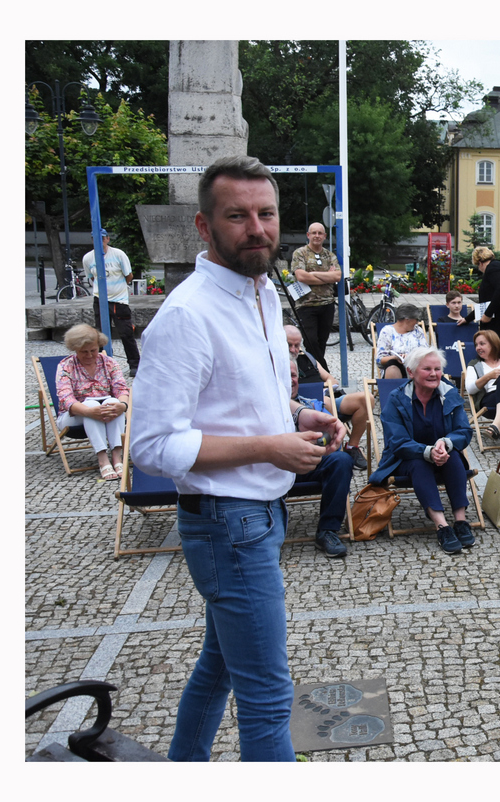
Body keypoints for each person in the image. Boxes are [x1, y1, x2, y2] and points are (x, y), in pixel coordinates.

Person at [130, 155, 346, 762]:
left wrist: (296, 418)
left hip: (257, 513)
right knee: (268, 699)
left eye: (267, 213)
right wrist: (268, 446)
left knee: (217, 669)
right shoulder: (186, 314)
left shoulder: (261, 292)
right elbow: (150, 446)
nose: (257, 228)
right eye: (238, 216)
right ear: (204, 226)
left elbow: (246, 399)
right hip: (228, 522)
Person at [369, 347, 477, 556]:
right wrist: (427, 451)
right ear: (411, 372)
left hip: (442, 455)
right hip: (404, 459)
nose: (434, 374)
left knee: (453, 456)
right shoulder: (396, 399)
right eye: (427, 369)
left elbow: (463, 431)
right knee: (419, 463)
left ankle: (461, 521)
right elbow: (397, 442)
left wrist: (445, 443)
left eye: (437, 369)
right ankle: (442, 526)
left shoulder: (449, 393)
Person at [284, 324, 370, 470]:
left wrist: (321, 390)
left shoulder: (308, 358)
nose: (294, 350)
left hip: (323, 399)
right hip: (301, 406)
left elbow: (332, 380)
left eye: (297, 345)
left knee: (366, 399)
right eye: (289, 345)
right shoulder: (275, 364)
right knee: (326, 402)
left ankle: (352, 446)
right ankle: (334, 448)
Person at [289, 358, 351, 558]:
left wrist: (321, 440)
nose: (291, 381)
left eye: (293, 375)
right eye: (284, 375)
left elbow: (330, 438)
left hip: (308, 463)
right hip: (273, 468)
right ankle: (265, 536)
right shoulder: (260, 409)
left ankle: (328, 531)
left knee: (341, 460)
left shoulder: (311, 405)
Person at [55, 323, 130, 480]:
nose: (89, 355)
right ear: (75, 349)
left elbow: (122, 390)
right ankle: (102, 458)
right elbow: (66, 398)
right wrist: (89, 411)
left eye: (93, 350)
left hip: (106, 410)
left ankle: (117, 456)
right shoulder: (65, 366)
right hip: (73, 415)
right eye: (84, 352)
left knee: (112, 402)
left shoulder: (109, 362)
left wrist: (122, 406)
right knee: (91, 405)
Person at [83, 228, 140, 376]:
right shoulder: (88, 258)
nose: (99, 242)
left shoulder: (118, 254)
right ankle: (102, 364)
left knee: (126, 333)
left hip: (119, 300)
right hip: (100, 299)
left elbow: (129, 275)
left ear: (107, 239)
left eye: (102, 239)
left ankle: (135, 364)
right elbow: (91, 277)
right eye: (95, 239)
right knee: (100, 334)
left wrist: (119, 289)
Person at [290, 222, 342, 369]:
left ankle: (314, 372)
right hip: (306, 305)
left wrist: (312, 274)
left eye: (320, 233)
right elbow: (301, 276)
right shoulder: (300, 253)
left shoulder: (329, 255)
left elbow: (337, 276)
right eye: (314, 233)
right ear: (308, 235)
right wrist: (327, 276)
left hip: (327, 305)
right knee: (310, 341)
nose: (317, 236)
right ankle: (324, 374)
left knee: (321, 342)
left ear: (325, 236)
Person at [464, 329, 500, 447]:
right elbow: (470, 389)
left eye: (482, 344)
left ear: (493, 343)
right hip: (490, 400)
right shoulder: (475, 364)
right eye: (476, 345)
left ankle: (497, 426)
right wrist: (488, 377)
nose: (478, 348)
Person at [376, 303, 429, 379]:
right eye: (416, 319)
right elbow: (379, 360)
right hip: (396, 368)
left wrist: (411, 357)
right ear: (407, 320)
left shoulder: (417, 330)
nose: (417, 322)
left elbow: (425, 352)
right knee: (392, 366)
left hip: (416, 367)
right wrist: (396, 357)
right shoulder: (387, 331)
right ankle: (397, 389)